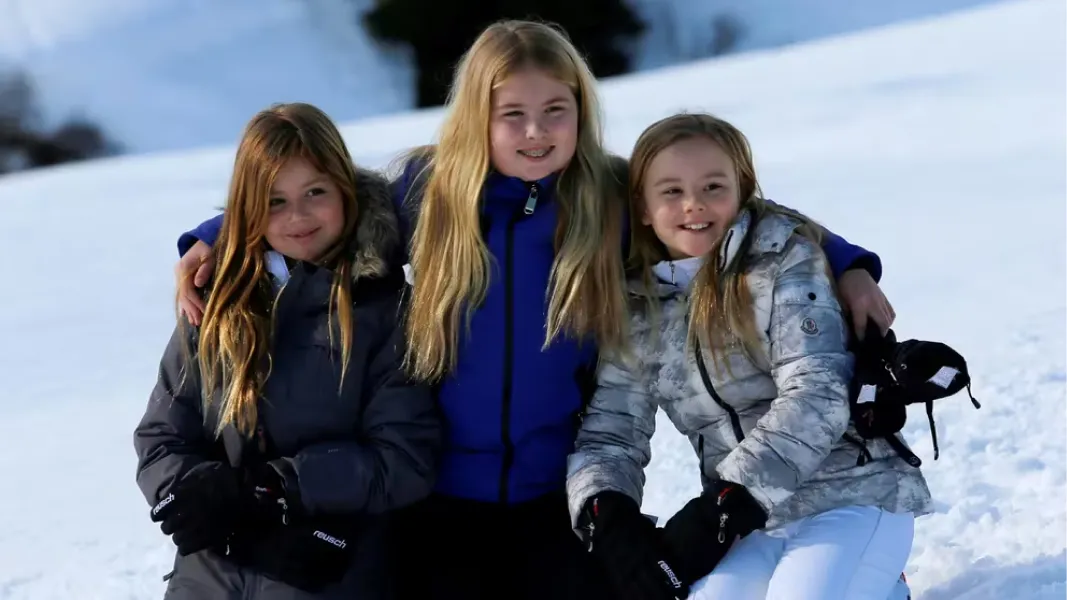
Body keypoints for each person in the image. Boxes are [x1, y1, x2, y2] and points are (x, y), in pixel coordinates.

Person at [166, 22, 897, 600]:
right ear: (477, 118)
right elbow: (319, 202)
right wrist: (214, 235)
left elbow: (726, 209)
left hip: (556, 494)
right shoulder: (424, 193)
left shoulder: (610, 197)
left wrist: (845, 262)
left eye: (555, 110)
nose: (534, 131)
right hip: (436, 501)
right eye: (509, 114)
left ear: (581, 108)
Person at [566, 112, 932, 600]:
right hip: (751, 522)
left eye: (713, 186)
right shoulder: (638, 309)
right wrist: (606, 513)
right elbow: (611, 433)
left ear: (742, 191)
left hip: (853, 494)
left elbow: (817, 393)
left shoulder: (784, 263)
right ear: (644, 207)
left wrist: (729, 500)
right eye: (671, 191)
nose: (693, 204)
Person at [133, 102, 441, 600]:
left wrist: (276, 487)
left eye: (315, 192)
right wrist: (193, 492)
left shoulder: (387, 311)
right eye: (275, 201)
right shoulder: (217, 301)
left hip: (327, 572)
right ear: (248, 208)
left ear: (347, 190)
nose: (297, 216)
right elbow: (163, 433)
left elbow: (403, 459)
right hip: (209, 578)